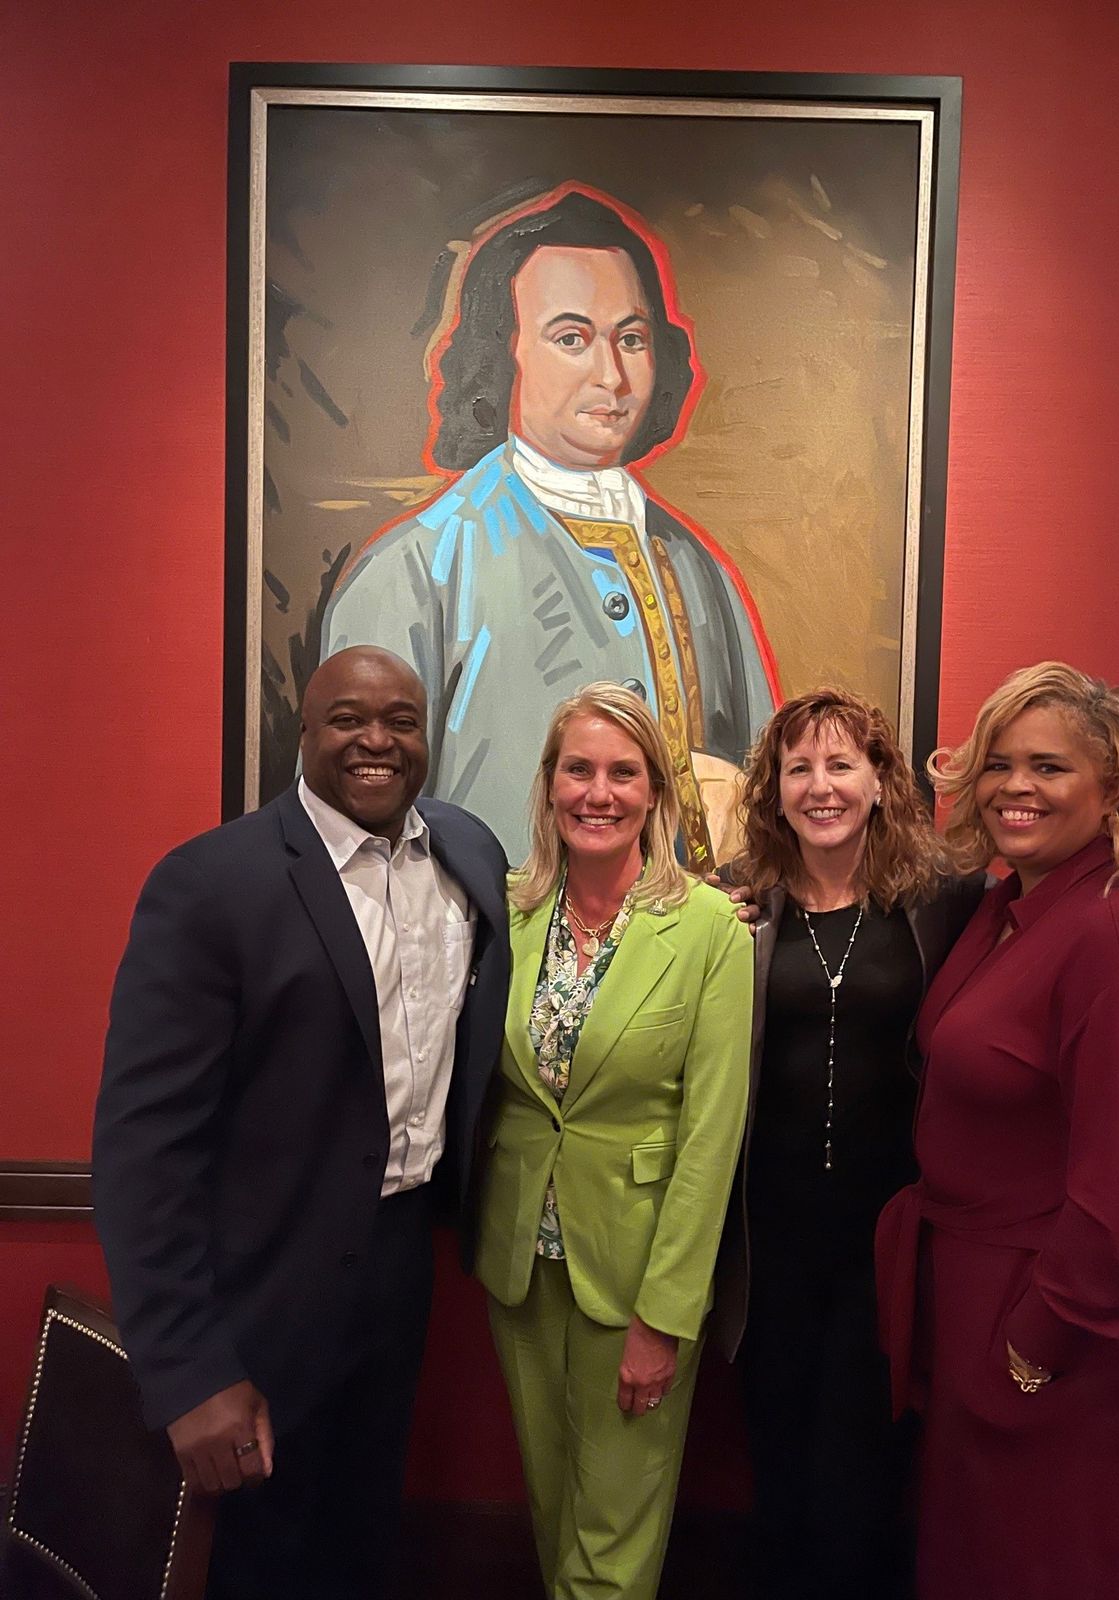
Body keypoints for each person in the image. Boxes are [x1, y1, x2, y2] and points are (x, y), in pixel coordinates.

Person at [91, 646, 509, 1600]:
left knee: (360, 1538)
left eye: (401, 720)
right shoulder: (209, 884)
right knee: (256, 1557)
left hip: (402, 1268)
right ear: (304, 733)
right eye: (348, 719)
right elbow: (141, 1149)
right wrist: (189, 1370)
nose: (377, 741)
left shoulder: (467, 855)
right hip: (257, 1288)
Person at [320, 183, 778, 870]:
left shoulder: (696, 566)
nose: (612, 375)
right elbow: (354, 839)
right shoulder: (415, 570)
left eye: (632, 338)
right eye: (572, 338)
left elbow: (767, 784)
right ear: (503, 354)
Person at [875, 661, 1119, 1600]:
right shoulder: (1010, 908)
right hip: (986, 1306)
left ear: (1113, 790)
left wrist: (1036, 1343)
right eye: (999, 764)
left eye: (1050, 767)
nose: (1017, 786)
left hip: (1075, 1343)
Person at [474, 682, 752, 1599]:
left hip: (636, 1274)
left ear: (656, 795)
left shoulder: (710, 931)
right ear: (548, 784)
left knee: (615, 1533)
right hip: (521, 1262)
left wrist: (666, 1316)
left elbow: (711, 1142)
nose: (598, 792)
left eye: (623, 773)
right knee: (553, 1508)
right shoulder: (504, 913)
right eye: (578, 769)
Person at [708, 688, 982, 1599]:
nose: (820, 786)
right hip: (769, 1243)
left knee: (861, 1481)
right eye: (799, 768)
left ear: (878, 781)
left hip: (889, 1243)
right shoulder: (740, 903)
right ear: (774, 788)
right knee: (778, 1471)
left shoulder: (940, 902)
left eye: (840, 765)